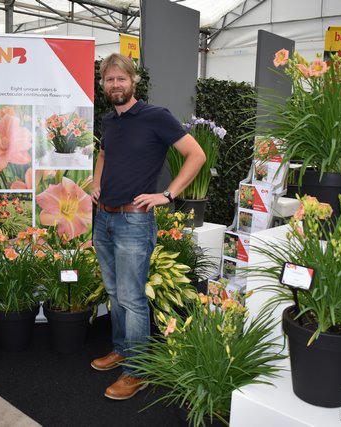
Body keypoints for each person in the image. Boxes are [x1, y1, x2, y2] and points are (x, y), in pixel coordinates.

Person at [91, 53, 206, 400]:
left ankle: (138, 370)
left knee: (132, 297)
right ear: (103, 84)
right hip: (104, 218)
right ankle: (122, 350)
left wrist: (168, 194)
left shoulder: (156, 116)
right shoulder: (109, 120)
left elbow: (197, 155)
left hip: (134, 220)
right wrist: (96, 183)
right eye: (109, 80)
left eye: (121, 79)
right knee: (114, 293)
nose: (115, 85)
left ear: (133, 82)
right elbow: (104, 154)